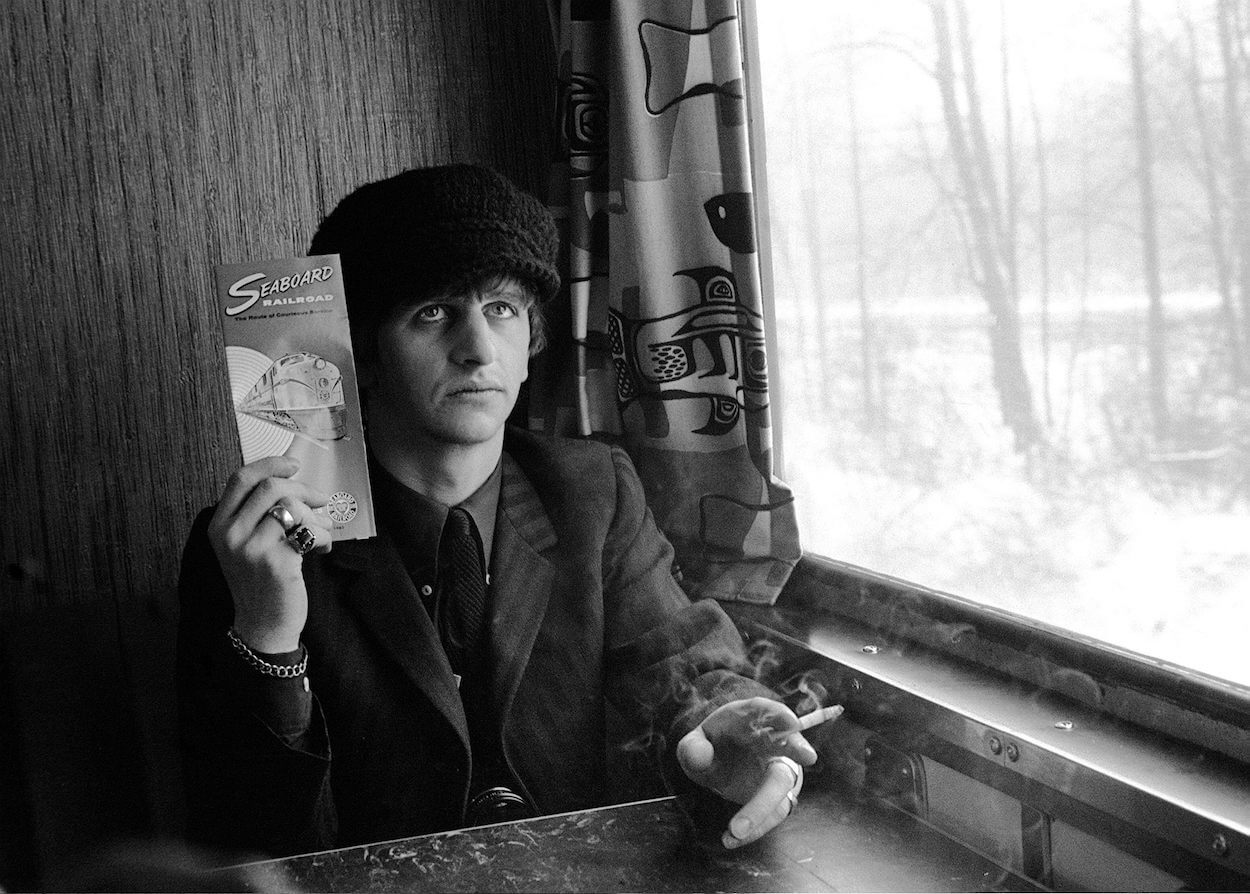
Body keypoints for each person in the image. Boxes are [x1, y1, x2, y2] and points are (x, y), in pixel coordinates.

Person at [177, 163, 828, 859]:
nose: (477, 349)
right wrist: (269, 638)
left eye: (502, 310)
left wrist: (726, 716)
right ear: (358, 353)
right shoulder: (254, 545)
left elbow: (680, 662)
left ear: (529, 342)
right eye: (432, 313)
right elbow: (241, 838)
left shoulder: (590, 490)